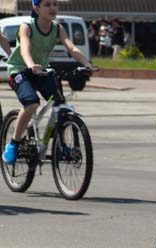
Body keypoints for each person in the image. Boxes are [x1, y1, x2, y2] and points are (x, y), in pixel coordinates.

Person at [2, 0, 93, 165]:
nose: (53, 8)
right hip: (20, 70)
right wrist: (30, 64)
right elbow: (25, 49)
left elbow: (71, 47)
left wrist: (86, 64)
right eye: (47, 4)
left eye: (55, 4)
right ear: (37, 9)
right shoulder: (26, 26)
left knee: (60, 104)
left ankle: (62, 145)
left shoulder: (57, 28)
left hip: (42, 70)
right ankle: (13, 143)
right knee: (31, 103)